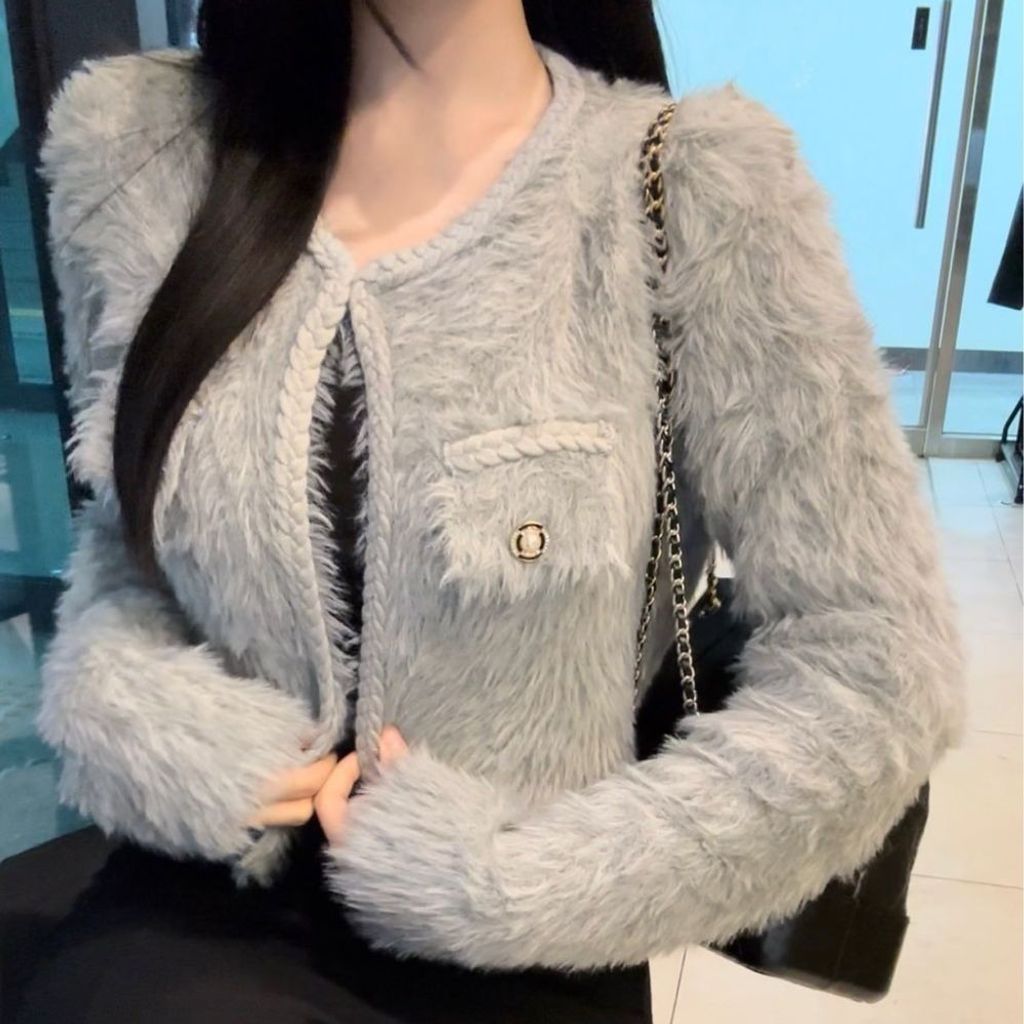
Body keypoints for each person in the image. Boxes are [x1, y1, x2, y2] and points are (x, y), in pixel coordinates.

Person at [13, 1, 967, 1021]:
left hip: (532, 932)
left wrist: (511, 881)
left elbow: (874, 663)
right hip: (206, 890)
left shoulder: (690, 191)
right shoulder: (142, 152)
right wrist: (140, 719)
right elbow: (125, 545)